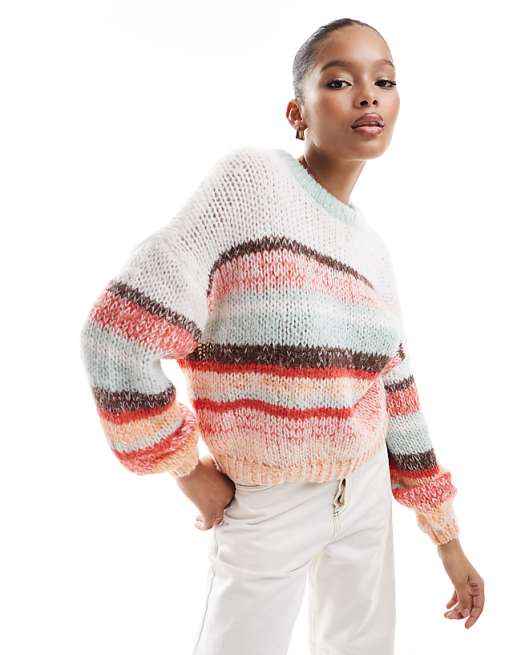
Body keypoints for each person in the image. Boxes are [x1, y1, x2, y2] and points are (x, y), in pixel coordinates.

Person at [80, 17, 484, 654]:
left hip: (365, 494)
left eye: (384, 81)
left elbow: (398, 396)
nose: (368, 95)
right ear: (298, 112)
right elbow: (116, 336)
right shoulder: (250, 185)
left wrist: (447, 539)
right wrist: (187, 470)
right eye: (340, 81)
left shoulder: (373, 252)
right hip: (268, 502)